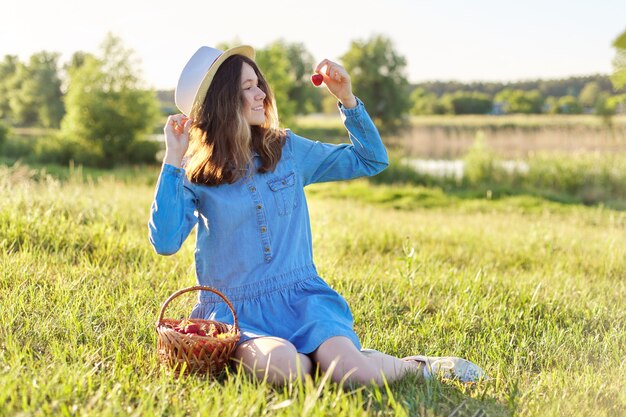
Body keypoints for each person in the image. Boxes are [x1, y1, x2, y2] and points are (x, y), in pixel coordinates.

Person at [149, 45, 487, 386]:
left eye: (258, 83)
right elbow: (164, 242)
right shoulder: (195, 173)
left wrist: (347, 99)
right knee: (284, 368)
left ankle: (418, 366)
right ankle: (317, 362)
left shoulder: (286, 149)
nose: (261, 94)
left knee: (354, 374)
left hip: (302, 301)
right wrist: (173, 160)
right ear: (222, 101)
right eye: (247, 87)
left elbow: (370, 159)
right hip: (237, 312)